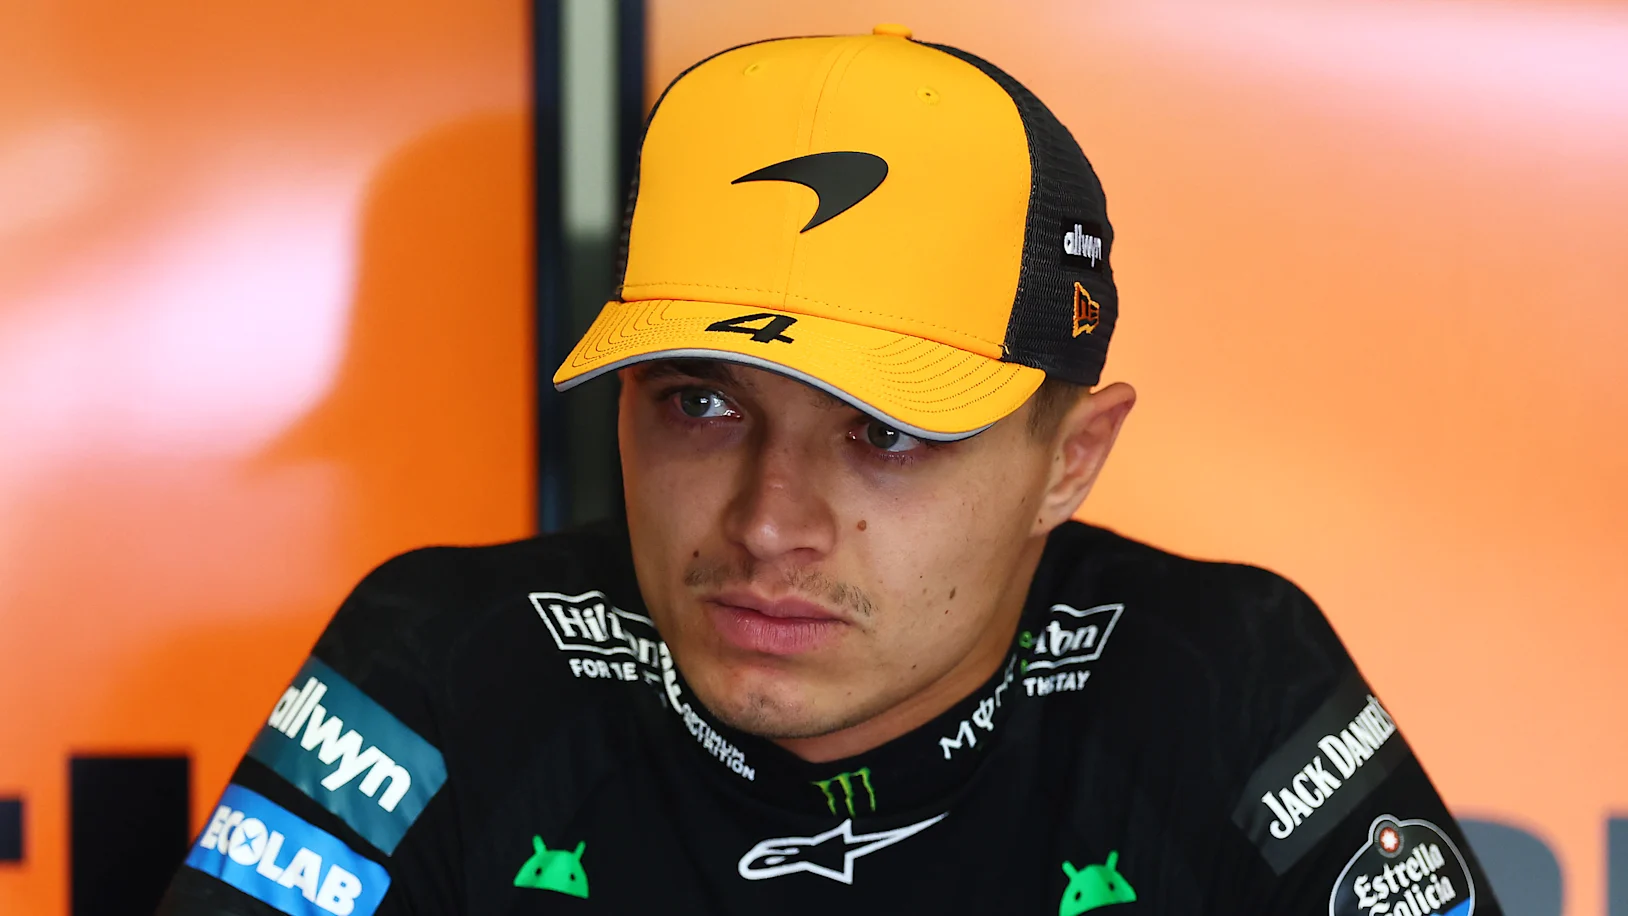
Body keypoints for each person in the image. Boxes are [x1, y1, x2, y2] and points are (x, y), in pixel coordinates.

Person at [160, 25, 1501, 916]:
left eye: (887, 432)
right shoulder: (446, 672)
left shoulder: (1223, 686)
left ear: (1071, 460)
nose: (768, 524)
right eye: (700, 403)